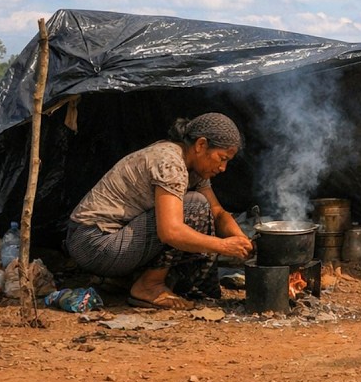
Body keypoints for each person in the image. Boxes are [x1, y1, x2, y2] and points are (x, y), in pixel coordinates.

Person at [66, 113, 254, 309]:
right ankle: (149, 286)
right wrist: (224, 246)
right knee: (194, 206)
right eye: (222, 158)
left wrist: (241, 241)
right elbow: (170, 231)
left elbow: (218, 213)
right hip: (93, 243)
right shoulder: (170, 163)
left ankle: (130, 279)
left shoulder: (194, 168)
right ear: (201, 145)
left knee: (200, 207)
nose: (223, 168)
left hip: (107, 240)